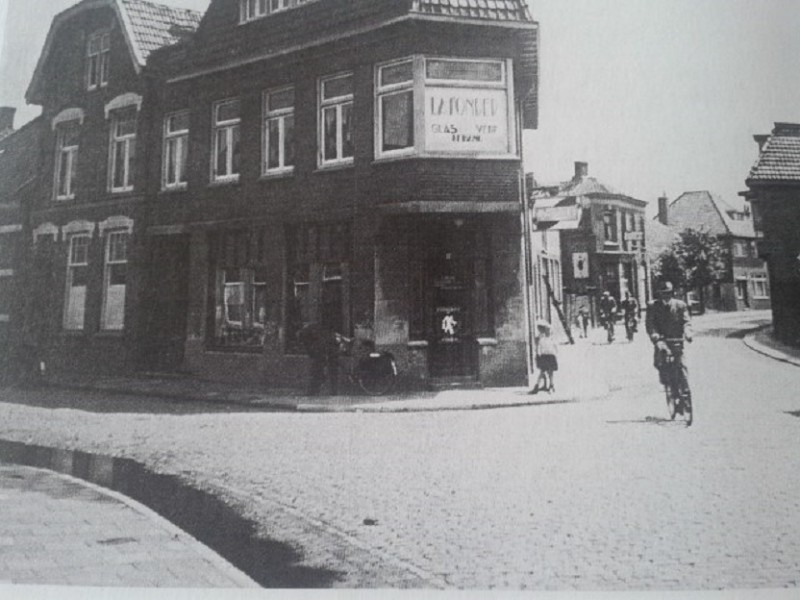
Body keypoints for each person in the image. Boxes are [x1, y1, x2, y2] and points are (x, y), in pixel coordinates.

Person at [645, 281, 692, 389]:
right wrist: (655, 335)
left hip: (677, 340)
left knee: (682, 365)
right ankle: (668, 386)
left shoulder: (680, 305)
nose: (666, 296)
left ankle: (686, 394)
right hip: (662, 340)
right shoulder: (653, 306)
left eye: (669, 293)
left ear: (672, 293)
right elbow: (650, 324)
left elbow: (686, 322)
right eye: (664, 293)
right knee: (659, 362)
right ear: (660, 294)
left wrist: (688, 332)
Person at [297, 322, 345, 396]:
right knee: (329, 373)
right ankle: (331, 391)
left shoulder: (311, 332)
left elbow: (310, 346)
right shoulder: (326, 334)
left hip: (322, 354)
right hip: (326, 354)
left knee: (318, 372)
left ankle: (314, 391)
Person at [531, 322, 558, 394]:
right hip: (544, 356)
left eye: (549, 330)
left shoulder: (552, 339)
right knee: (542, 371)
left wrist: (555, 354)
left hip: (551, 356)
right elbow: (539, 347)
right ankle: (537, 386)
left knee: (551, 372)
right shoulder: (542, 339)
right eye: (546, 330)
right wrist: (539, 354)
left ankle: (551, 385)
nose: (547, 331)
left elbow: (556, 347)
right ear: (544, 331)